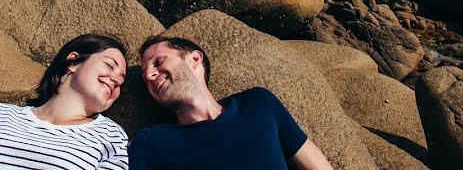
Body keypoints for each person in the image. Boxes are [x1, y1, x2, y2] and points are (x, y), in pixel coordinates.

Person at [129, 36, 334, 170]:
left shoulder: (258, 104)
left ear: (194, 59)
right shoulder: (151, 142)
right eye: (145, 74)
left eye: (158, 61)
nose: (149, 74)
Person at [0, 34, 129, 170]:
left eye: (122, 80)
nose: (117, 80)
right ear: (73, 61)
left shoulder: (111, 136)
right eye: (110, 65)